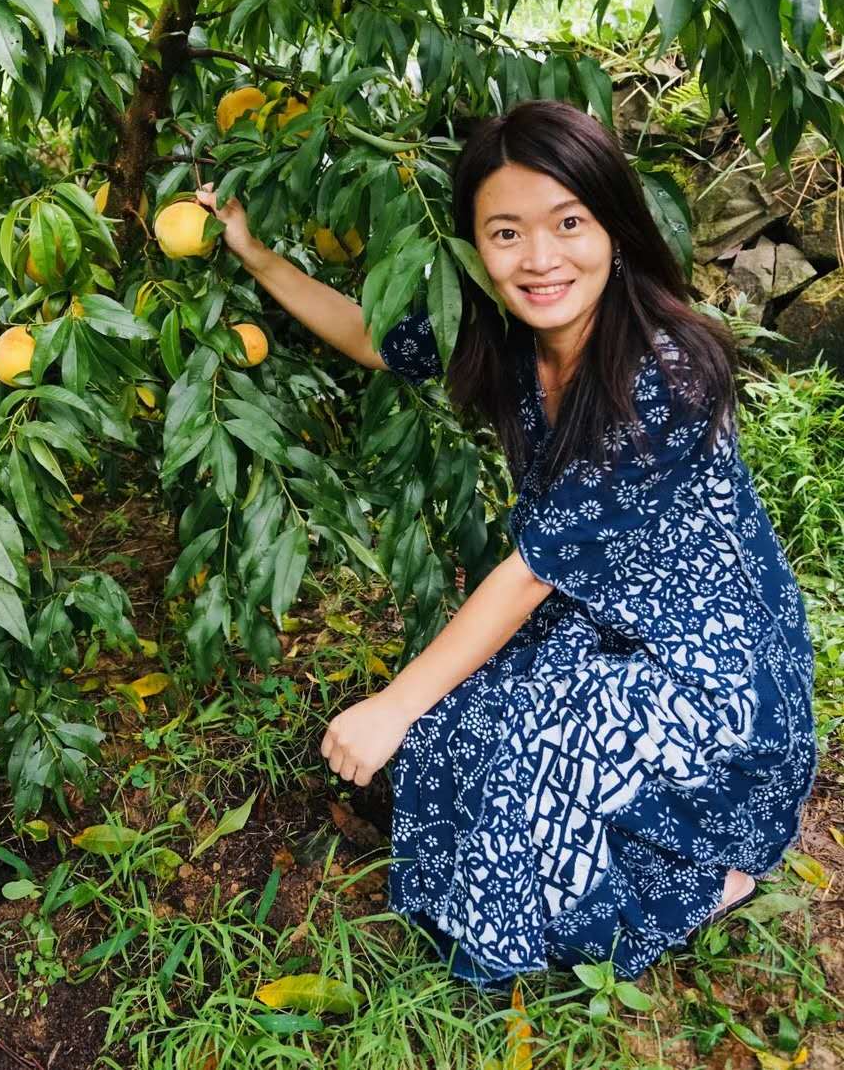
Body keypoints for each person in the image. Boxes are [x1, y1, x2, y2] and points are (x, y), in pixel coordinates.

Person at [194, 98, 818, 987]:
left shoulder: (665, 371)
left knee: (522, 828)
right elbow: (372, 336)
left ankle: (715, 873)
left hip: (712, 665)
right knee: (456, 738)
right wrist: (254, 253)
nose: (540, 258)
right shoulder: (506, 334)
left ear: (614, 225)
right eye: (505, 232)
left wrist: (391, 702)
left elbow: (529, 573)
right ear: (472, 248)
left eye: (569, 222)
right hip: (600, 619)